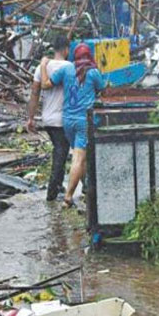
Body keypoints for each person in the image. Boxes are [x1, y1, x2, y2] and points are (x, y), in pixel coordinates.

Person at [39, 42, 106, 207]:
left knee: (80, 158)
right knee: (78, 158)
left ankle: (87, 189)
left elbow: (45, 85)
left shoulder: (66, 69)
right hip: (84, 121)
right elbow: (102, 90)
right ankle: (68, 196)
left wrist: (42, 65)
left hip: (67, 120)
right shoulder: (93, 72)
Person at [27, 36, 73, 201]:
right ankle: (52, 193)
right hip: (62, 119)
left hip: (47, 119)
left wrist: (31, 118)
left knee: (60, 151)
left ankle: (59, 186)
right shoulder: (69, 67)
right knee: (61, 153)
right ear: (66, 49)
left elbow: (34, 93)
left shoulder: (41, 68)